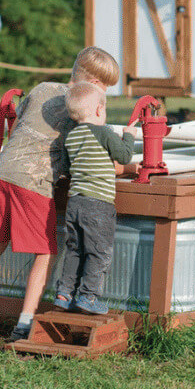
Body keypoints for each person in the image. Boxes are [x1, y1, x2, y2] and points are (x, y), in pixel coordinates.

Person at [0, 47, 120, 342]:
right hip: (34, 181)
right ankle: (25, 322)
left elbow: (16, 125)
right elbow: (92, 154)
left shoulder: (42, 88)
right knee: (45, 252)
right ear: (94, 85)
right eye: (104, 90)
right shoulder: (80, 111)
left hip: (3, 172)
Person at [53, 83, 137, 315]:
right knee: (98, 252)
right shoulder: (103, 133)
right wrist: (129, 137)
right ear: (99, 110)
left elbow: (68, 169)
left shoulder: (70, 137)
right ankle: (88, 297)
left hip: (75, 202)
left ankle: (64, 293)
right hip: (98, 204)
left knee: (75, 250)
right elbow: (124, 155)